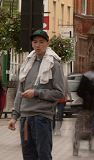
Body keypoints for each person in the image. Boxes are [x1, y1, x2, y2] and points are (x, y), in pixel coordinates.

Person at [7, 30, 65, 160]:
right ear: (32, 44)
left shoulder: (54, 65)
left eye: (41, 42)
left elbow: (59, 93)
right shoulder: (27, 64)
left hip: (42, 117)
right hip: (26, 118)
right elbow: (20, 92)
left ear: (47, 43)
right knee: (28, 156)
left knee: (43, 155)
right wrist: (14, 116)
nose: (38, 45)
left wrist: (36, 93)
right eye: (35, 42)